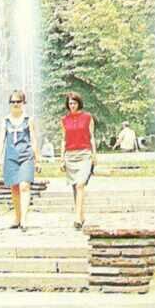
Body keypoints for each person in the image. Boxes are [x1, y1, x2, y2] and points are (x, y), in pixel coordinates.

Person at [0, 90, 41, 231]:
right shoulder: (6, 120)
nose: (16, 104)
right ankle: (17, 216)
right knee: (14, 187)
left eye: (18, 101)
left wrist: (37, 159)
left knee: (24, 186)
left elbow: (33, 140)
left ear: (23, 103)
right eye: (13, 102)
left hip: (26, 156)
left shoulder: (29, 120)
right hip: (11, 157)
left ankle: (24, 219)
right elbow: (1, 139)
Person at [60, 91, 96, 230]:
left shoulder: (87, 117)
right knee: (75, 186)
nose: (72, 106)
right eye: (70, 103)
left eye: (74, 103)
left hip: (85, 153)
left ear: (79, 103)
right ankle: (81, 215)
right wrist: (61, 158)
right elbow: (63, 139)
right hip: (70, 155)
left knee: (81, 184)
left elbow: (92, 136)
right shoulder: (64, 120)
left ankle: (76, 218)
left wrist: (94, 154)